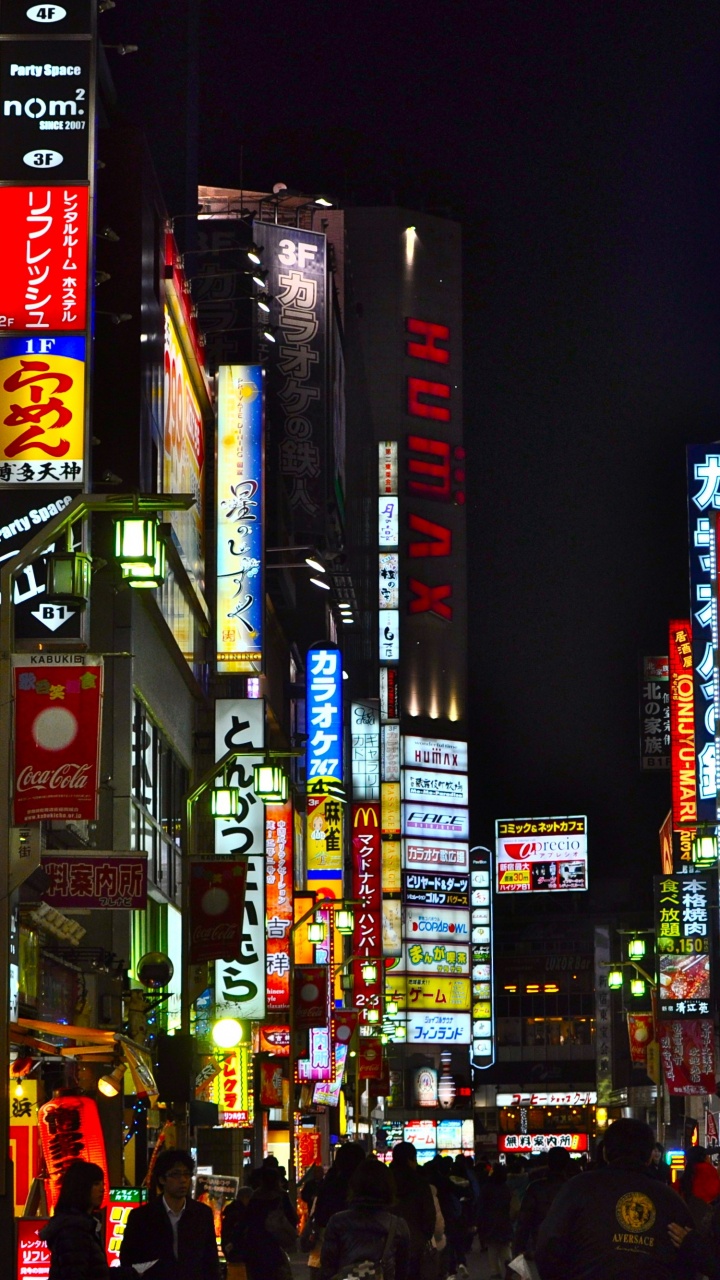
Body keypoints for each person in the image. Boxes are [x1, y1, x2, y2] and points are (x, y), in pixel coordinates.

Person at [535, 1118, 696, 1279]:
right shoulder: (670, 1199)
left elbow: (548, 1246)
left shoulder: (578, 1188)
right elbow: (689, 1258)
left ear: (605, 1152)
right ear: (649, 1156)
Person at [119, 1147, 219, 1280]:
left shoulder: (202, 1214)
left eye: (187, 1174)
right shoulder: (142, 1217)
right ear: (162, 1179)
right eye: (175, 1174)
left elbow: (210, 1260)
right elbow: (128, 1259)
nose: (183, 1180)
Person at [320, 1156, 410, 1280]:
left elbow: (327, 1269)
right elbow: (402, 1272)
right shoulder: (397, 1226)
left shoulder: (337, 1222)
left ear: (354, 1186)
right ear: (389, 1188)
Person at [42, 1161, 135, 1280]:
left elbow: (95, 1272)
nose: (102, 1189)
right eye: (96, 1184)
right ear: (81, 1187)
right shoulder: (73, 1230)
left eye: (103, 1184)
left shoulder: (84, 1225)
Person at [310, 1142, 366, 1271]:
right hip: (362, 1257)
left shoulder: (329, 1185)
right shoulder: (366, 1188)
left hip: (334, 1254)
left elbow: (320, 1217)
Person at [513, 1147, 572, 1261]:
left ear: (548, 1163)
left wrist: (518, 1248)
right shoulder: (573, 1187)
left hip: (540, 1246)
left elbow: (524, 1221)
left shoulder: (536, 1188)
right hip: (569, 1248)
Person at [241, 1166, 297, 1280]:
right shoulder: (281, 1196)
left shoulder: (255, 1198)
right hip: (276, 1245)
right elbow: (293, 1218)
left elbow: (246, 1220)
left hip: (255, 1246)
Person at [389, 1141, 436, 1271]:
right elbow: (429, 1215)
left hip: (387, 1244)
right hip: (415, 1243)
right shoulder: (420, 1183)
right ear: (410, 1160)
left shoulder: (385, 1180)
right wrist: (424, 1236)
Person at [477, 1163, 514, 1279]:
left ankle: (495, 1273)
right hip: (505, 1221)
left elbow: (481, 1206)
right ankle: (509, 1265)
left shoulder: (487, 1188)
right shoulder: (506, 1188)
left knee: (492, 1248)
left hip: (490, 1222)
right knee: (505, 1246)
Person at [678, 1146, 720, 1229]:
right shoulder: (710, 1173)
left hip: (685, 1227)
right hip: (708, 1229)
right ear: (705, 1158)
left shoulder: (685, 1177)